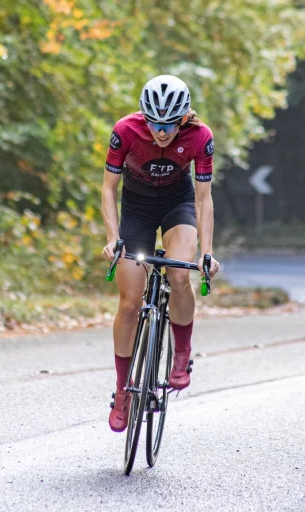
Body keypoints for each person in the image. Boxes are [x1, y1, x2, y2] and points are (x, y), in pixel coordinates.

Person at [101, 75, 220, 433]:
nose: (162, 131)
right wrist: (111, 238)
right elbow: (108, 189)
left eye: (169, 123)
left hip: (176, 204)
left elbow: (203, 198)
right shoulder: (126, 130)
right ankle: (123, 391)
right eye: (154, 122)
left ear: (183, 118)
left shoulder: (200, 137)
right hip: (136, 208)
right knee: (129, 304)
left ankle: (181, 354)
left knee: (180, 274)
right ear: (144, 115)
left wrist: (208, 253)